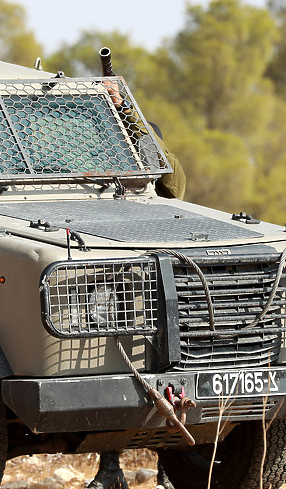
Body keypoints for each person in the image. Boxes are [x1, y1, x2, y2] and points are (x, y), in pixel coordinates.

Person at [88, 84, 185, 489]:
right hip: (115, 275)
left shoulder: (151, 148)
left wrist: (128, 113)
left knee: (170, 369)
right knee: (116, 364)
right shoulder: (97, 153)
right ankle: (110, 467)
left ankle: (167, 470)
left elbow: (174, 181)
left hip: (155, 283)